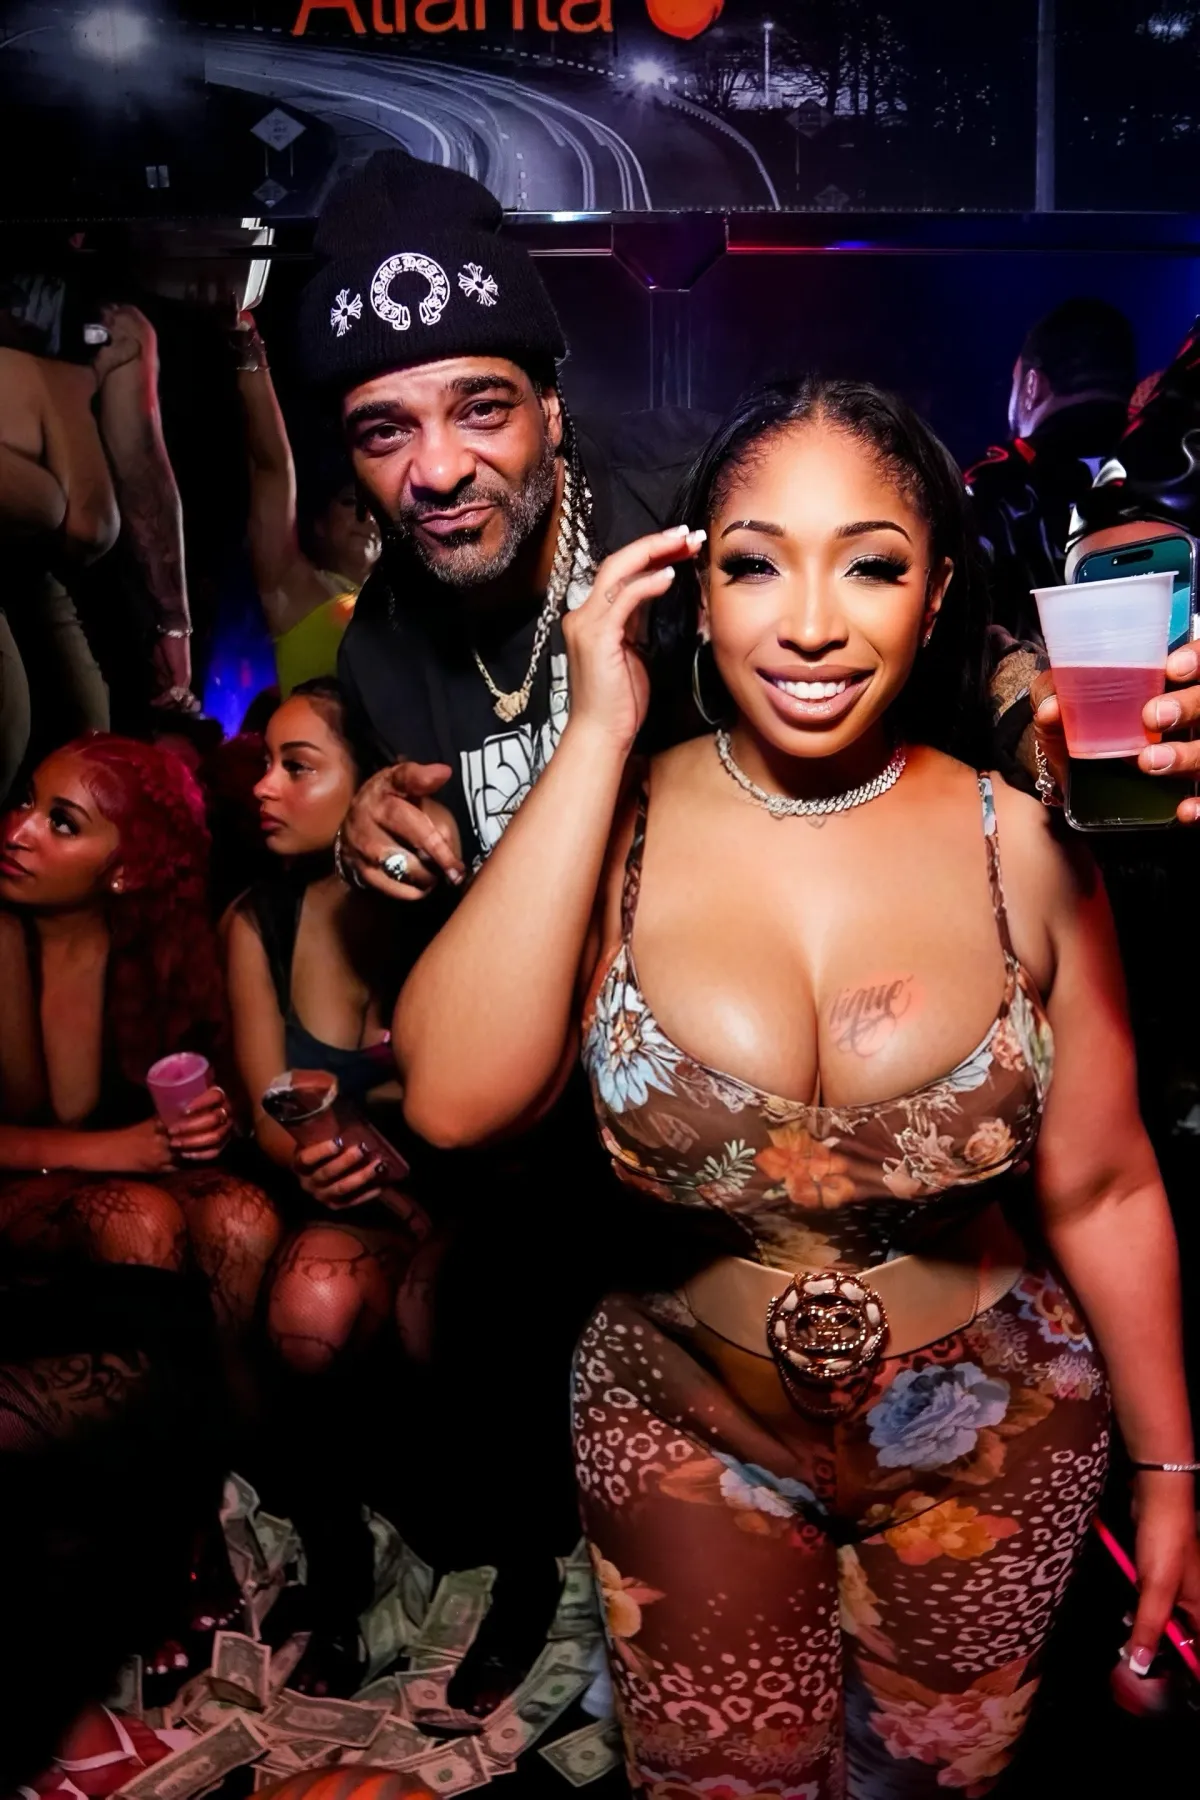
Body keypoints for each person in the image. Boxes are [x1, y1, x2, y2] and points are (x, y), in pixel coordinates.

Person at [394, 377, 1200, 1797]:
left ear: (936, 596)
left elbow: (1106, 1185)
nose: (812, 623)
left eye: (871, 566)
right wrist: (594, 732)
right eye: (757, 564)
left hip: (997, 1439)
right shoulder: (617, 827)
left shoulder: (1025, 843)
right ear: (695, 592)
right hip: (682, 1417)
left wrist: (1171, 1470)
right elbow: (454, 1103)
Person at [223, 678, 440, 1692]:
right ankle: (333, 1556)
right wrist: (313, 1150)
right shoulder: (257, 920)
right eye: (264, 763)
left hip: (464, 1197)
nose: (263, 786)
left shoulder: (451, 901)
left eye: (296, 766)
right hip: (333, 1206)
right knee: (309, 1297)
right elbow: (270, 1113)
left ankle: (492, 1563)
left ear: (375, 786)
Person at [0, 733, 280, 1339]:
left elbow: (225, 1096)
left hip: (119, 1180)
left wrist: (214, 1115)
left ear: (124, 872)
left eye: (61, 823)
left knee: (241, 1217)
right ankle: (157, 1393)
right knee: (138, 1220)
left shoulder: (158, 954)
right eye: (24, 801)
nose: (18, 831)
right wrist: (113, 1151)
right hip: (25, 1186)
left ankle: (234, 1391)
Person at [0, 297, 197, 797]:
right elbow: (80, 519)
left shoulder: (102, 313)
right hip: (38, 557)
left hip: (37, 567)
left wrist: (172, 620)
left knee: (85, 757)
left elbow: (133, 477)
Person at [965, 298, 1136, 642]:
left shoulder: (994, 484)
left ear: (1031, 386)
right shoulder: (1173, 463)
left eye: (1015, 383)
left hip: (1031, 674)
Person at [229, 310, 380, 695]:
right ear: (320, 525)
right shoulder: (295, 588)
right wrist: (251, 357)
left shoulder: (406, 609)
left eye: (373, 509)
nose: (366, 518)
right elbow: (272, 468)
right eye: (350, 503)